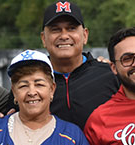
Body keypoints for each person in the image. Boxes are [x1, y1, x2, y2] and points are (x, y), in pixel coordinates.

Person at [39, 1, 119, 129]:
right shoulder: (32, 79)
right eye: (55, 29)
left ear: (85, 35)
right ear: (44, 38)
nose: (64, 36)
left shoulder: (108, 74)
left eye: (71, 28)